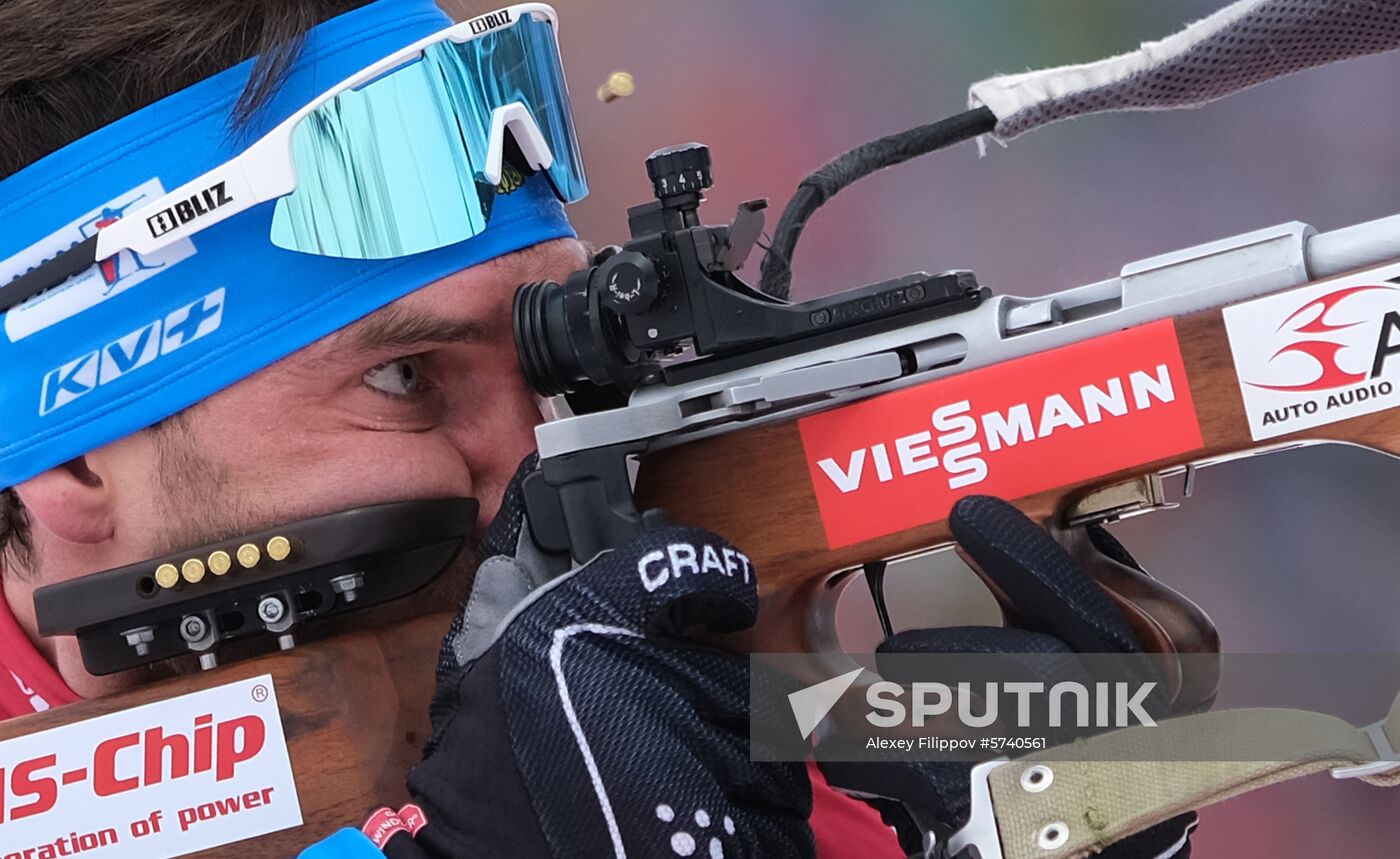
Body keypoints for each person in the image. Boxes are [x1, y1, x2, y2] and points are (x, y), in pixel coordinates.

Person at [0, 1, 1196, 856]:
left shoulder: (657, 724)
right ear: (73, 455)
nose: (540, 454)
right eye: (408, 378)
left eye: (548, 358)